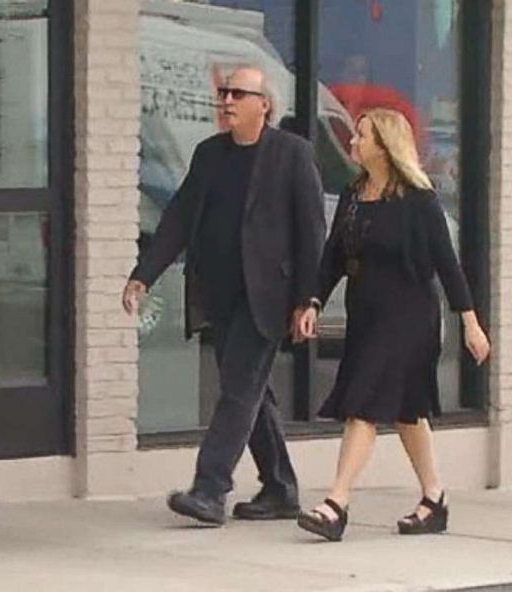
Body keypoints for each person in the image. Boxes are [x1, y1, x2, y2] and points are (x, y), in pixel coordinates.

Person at [122, 65, 326, 525]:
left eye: (237, 94)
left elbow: (313, 231)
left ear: (264, 104)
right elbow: (178, 217)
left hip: (268, 298)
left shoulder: (291, 154)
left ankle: (210, 490)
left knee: (237, 391)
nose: (226, 101)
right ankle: (280, 486)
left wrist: (309, 299)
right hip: (219, 295)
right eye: (223, 94)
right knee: (253, 394)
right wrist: (143, 275)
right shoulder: (210, 154)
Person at [293, 108, 490, 542]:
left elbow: (448, 265)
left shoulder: (419, 199)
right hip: (367, 315)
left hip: (410, 317)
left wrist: (470, 324)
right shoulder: (352, 194)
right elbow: (332, 258)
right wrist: (312, 301)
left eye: (361, 135)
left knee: (361, 404)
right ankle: (434, 498)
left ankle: (337, 503)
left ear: (384, 146)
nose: (352, 142)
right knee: (407, 412)